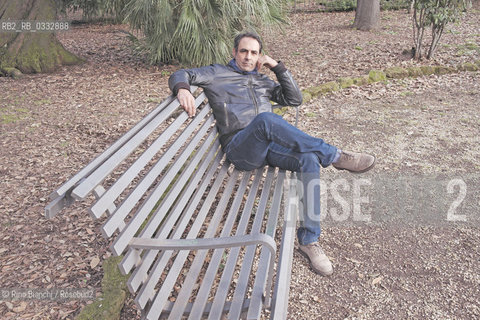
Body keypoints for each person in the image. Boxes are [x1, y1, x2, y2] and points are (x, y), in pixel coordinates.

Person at [168, 32, 375, 276]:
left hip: (267, 147)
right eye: (243, 51)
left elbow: (294, 99)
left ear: (259, 57)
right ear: (234, 53)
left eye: (254, 52)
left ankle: (309, 241)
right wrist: (182, 89)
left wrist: (277, 67)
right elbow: (182, 74)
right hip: (240, 148)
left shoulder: (262, 81)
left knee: (307, 158)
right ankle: (335, 156)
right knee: (266, 120)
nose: (248, 57)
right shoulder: (216, 74)